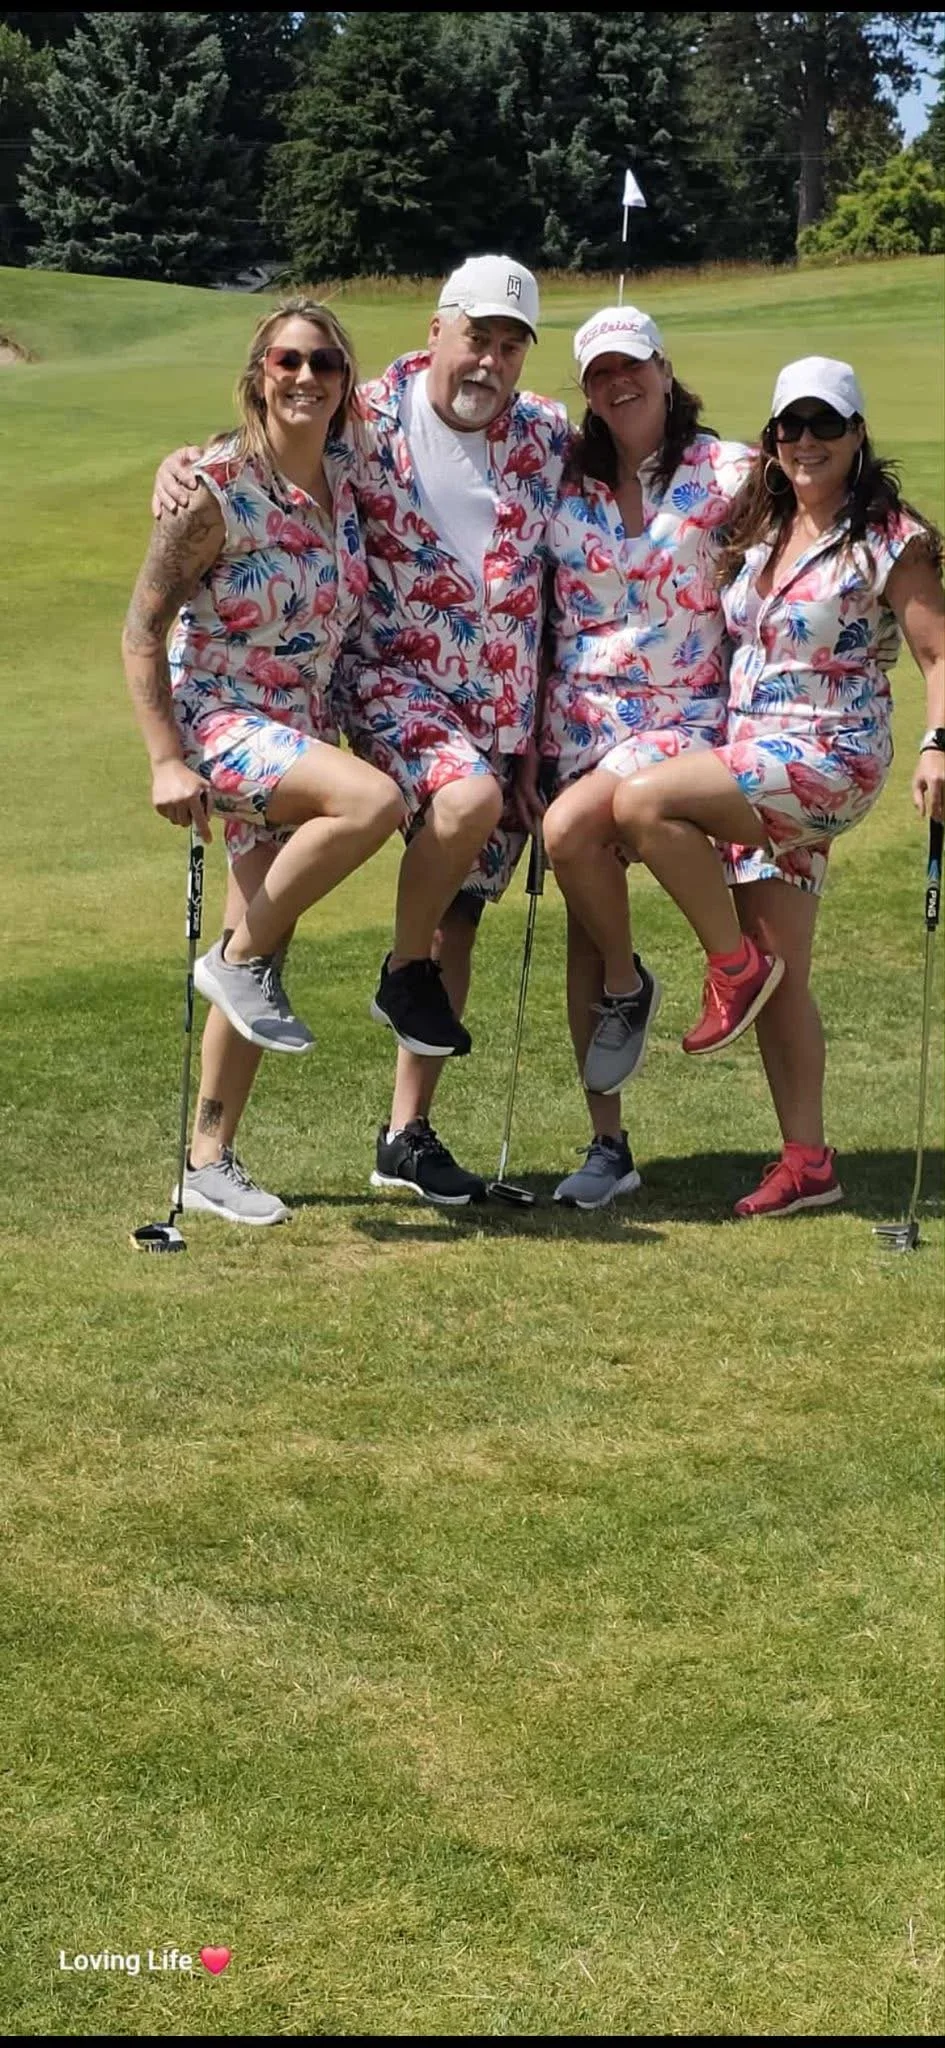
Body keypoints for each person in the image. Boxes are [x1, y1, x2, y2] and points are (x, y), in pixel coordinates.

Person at [153, 257, 570, 1207]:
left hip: (496, 713)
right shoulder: (364, 413)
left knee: (456, 914)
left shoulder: (546, 431)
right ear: (436, 329)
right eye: (476, 337)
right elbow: (256, 446)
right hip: (387, 690)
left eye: (510, 345)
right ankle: (220, 1141)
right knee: (312, 905)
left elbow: (630, 474)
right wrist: (178, 467)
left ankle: (405, 1137)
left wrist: (534, 739)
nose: (490, 360)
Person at [609, 354, 945, 1218]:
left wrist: (937, 744)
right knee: (783, 977)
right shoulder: (760, 526)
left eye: (824, 424)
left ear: (857, 434)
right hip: (752, 762)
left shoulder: (889, 536)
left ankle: (730, 965)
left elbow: (936, 652)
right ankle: (807, 1164)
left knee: (640, 801)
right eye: (789, 426)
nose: (805, 441)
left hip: (828, 759)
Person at [123, 297, 405, 1225]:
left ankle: (206, 1161)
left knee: (261, 933)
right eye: (287, 360)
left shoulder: (346, 472)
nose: (305, 377)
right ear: (258, 374)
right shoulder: (211, 488)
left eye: (324, 363)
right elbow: (141, 630)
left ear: (345, 382)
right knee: (370, 804)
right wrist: (165, 761)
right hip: (221, 721)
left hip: (296, 724)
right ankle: (236, 960)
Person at [532, 305, 753, 1208]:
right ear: (585, 390)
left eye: (632, 365)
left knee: (567, 834)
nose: (617, 383)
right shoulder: (563, 479)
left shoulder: (731, 471)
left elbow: (838, 506)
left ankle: (633, 986)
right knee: (586, 930)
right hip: (576, 725)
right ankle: (606, 1147)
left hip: (681, 719)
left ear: (664, 369)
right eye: (599, 373)